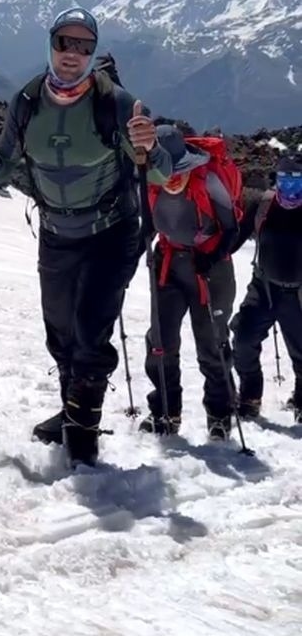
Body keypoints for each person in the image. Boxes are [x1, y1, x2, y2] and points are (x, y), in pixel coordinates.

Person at [0, 7, 172, 467]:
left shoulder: (117, 105)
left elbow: (160, 175)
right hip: (56, 232)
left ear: (93, 52)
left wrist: (150, 147)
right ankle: (72, 411)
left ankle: (82, 435)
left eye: (83, 46)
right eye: (64, 42)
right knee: (60, 332)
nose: (72, 53)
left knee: (91, 332)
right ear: (50, 44)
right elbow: (5, 155)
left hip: (111, 233)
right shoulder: (27, 101)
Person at [138, 125, 240, 440]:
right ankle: (165, 412)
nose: (173, 177)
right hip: (169, 265)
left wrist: (213, 257)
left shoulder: (208, 181)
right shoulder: (149, 185)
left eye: (179, 170)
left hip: (210, 271)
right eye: (167, 171)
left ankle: (220, 414)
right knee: (160, 342)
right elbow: (148, 226)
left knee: (212, 343)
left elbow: (232, 229)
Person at [232, 152, 302, 424]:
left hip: (298, 294)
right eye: (285, 180)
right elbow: (234, 238)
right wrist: (209, 258)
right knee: (243, 339)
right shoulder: (263, 205)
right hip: (264, 288)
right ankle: (250, 397)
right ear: (276, 180)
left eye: (297, 180)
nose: (290, 187)